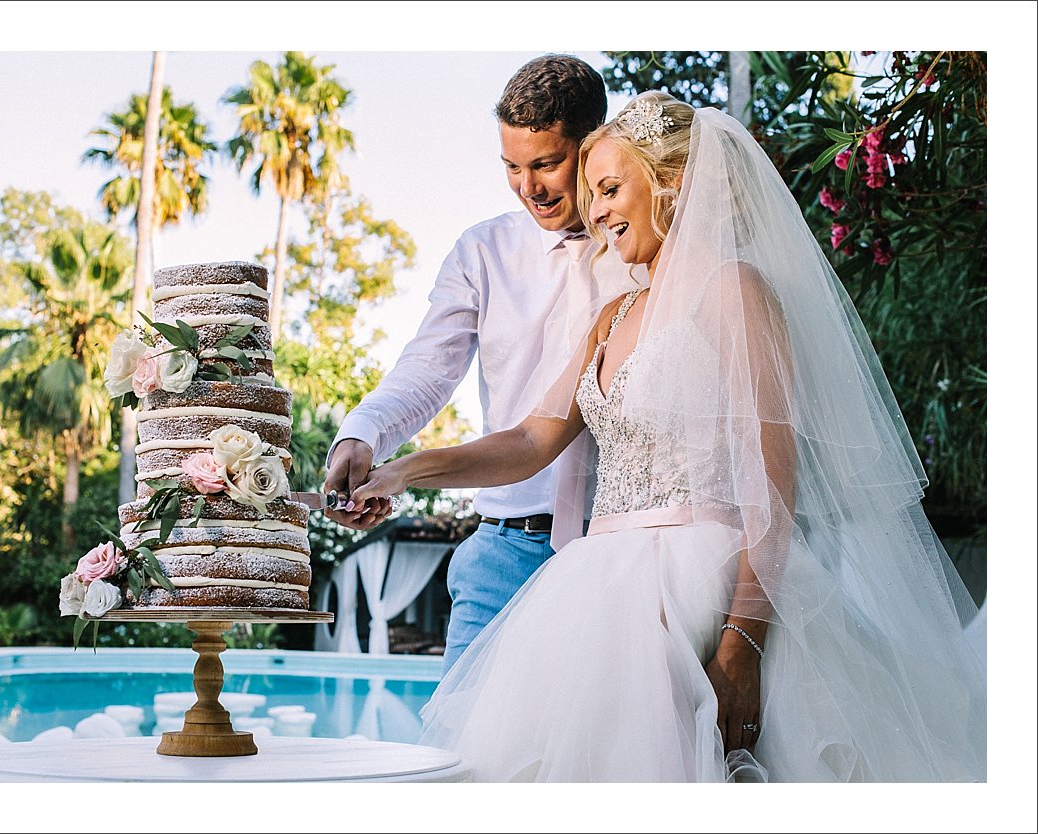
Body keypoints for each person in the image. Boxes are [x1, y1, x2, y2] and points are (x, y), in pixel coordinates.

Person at [348, 92, 987, 782]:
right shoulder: (612, 316)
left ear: (673, 183)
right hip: (601, 588)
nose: (595, 213)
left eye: (610, 189)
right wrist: (402, 472)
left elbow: (773, 482)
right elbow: (530, 441)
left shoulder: (736, 291)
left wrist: (743, 640)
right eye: (592, 195)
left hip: (708, 586)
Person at [324, 54, 636, 673]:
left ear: (592, 144)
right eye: (512, 167)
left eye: (546, 163)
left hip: (625, 546)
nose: (530, 187)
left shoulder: (643, 247)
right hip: (503, 548)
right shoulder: (481, 251)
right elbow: (428, 368)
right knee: (461, 749)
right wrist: (364, 434)